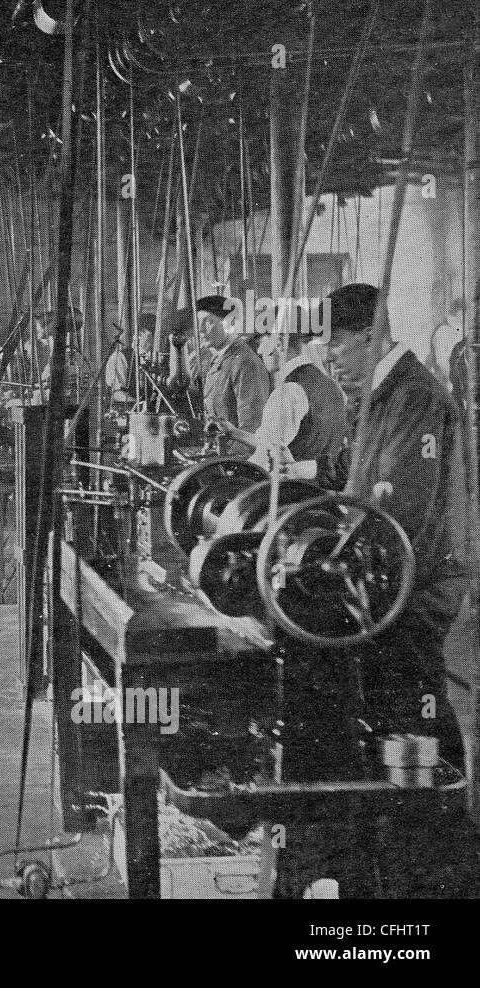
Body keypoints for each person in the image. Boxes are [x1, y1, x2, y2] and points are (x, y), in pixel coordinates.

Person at [324, 283, 474, 766]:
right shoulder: (381, 393)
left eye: (335, 344)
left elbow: (398, 505)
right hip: (391, 575)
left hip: (419, 579)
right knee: (398, 700)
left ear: (369, 338)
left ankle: (445, 817)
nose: (329, 359)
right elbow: (359, 473)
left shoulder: (414, 396)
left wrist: (338, 551)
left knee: (415, 701)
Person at [247, 331, 348, 490]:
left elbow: (264, 457)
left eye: (261, 342)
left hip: (294, 497)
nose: (259, 351)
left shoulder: (288, 392)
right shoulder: (333, 387)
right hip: (326, 496)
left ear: (279, 343)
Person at [197, 294, 270, 456]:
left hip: (237, 463)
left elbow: (252, 426)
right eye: (198, 323)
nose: (201, 330)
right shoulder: (220, 359)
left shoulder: (244, 362)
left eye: (208, 322)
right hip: (221, 456)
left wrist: (231, 464)